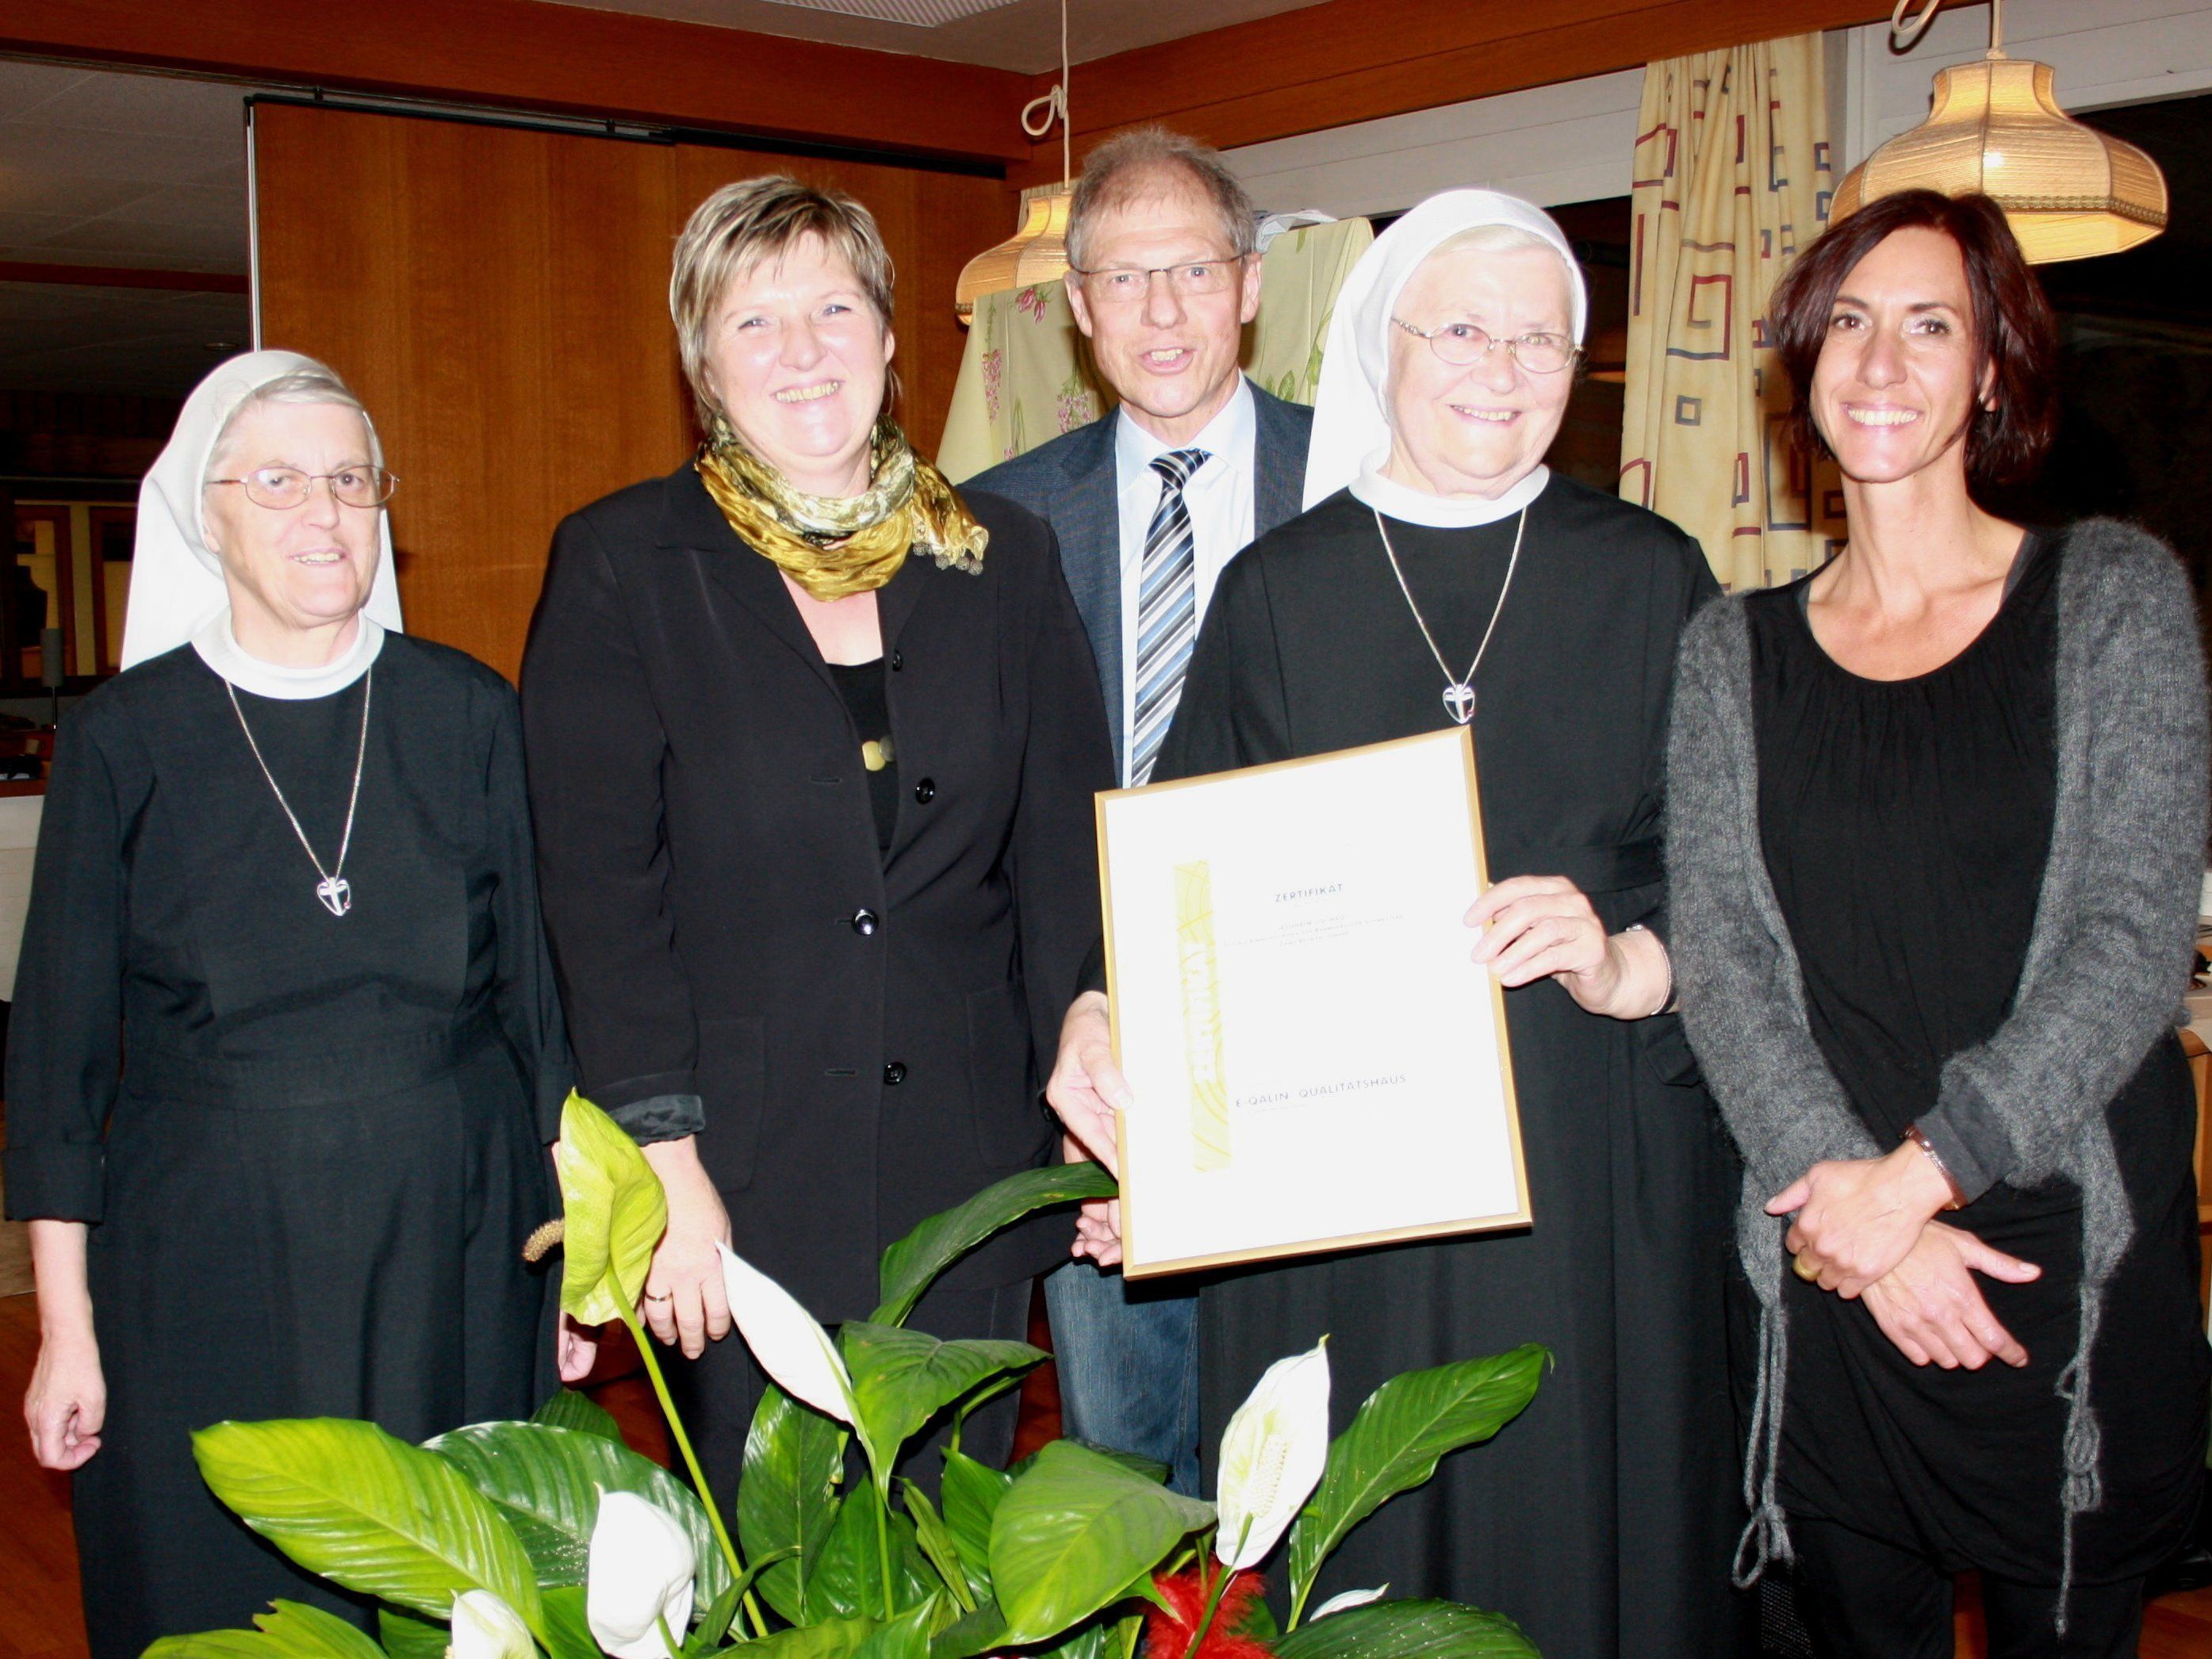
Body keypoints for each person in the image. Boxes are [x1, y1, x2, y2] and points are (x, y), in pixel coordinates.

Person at [1046, 190, 1747, 1656]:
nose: (1501, 369)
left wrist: (1623, 954)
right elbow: (1184, 898)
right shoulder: (1276, 594)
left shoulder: (1652, 576)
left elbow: (1741, 882)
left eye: (1541, 339)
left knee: (1590, 1533)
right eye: (1463, 330)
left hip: (1596, 1168)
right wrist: (1121, 1050)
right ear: (1383, 343)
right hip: (1340, 1198)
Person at [1667, 187, 2210, 1659]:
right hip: (1827, 1269)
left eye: (1928, 326)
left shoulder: (2110, 600)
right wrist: (1857, 1211)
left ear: (1989, 368)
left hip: (2060, 1280)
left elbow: (2129, 942)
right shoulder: (1732, 651)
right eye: (1848, 324)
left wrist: (1917, 1183)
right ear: (1804, 358)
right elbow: (1716, 963)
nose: (1880, 365)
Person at [521, 178, 1114, 1491]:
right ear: (703, 367)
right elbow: (601, 899)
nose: (803, 351)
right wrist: (664, 1164)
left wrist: (1090, 1040)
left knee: (961, 1557)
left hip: (969, 1160)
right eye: (755, 322)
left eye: (834, 308)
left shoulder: (1000, 554)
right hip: (737, 1168)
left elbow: (1065, 842)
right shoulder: (623, 565)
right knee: (777, 1553)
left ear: (892, 338)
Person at [7, 351, 570, 1657]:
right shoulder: (124, 738)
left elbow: (539, 1018)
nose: (325, 514)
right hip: (203, 1261)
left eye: (350, 481)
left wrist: (565, 1274)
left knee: (450, 1586)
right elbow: (59, 1062)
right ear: (205, 514)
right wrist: (66, 1333)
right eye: (279, 482)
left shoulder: (469, 712)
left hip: (458, 1247)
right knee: (224, 1591)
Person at [968, 127, 1312, 1496]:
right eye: (1124, 277)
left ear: (1246, 287)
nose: (1161, 310)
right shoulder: (993, 524)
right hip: (1088, 1058)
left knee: (1307, 1462)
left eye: (1191, 269)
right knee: (1122, 1473)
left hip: (1307, 1027)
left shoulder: (1359, 485)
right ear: (1077, 311)